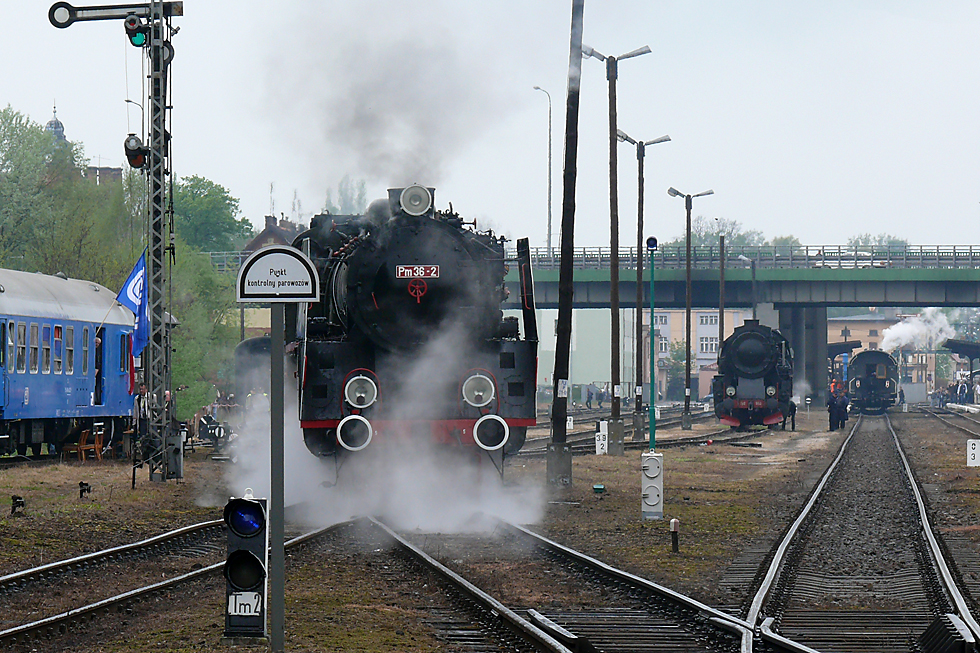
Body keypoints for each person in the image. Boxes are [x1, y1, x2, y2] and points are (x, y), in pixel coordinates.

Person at [132, 383, 150, 462]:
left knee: (149, 436)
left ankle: (150, 453)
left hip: (149, 419)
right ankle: (144, 454)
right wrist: (135, 422)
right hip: (141, 420)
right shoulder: (137, 398)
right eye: (140, 389)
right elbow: (135, 411)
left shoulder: (151, 397)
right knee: (143, 437)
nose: (141, 391)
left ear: (146, 389)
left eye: (143, 389)